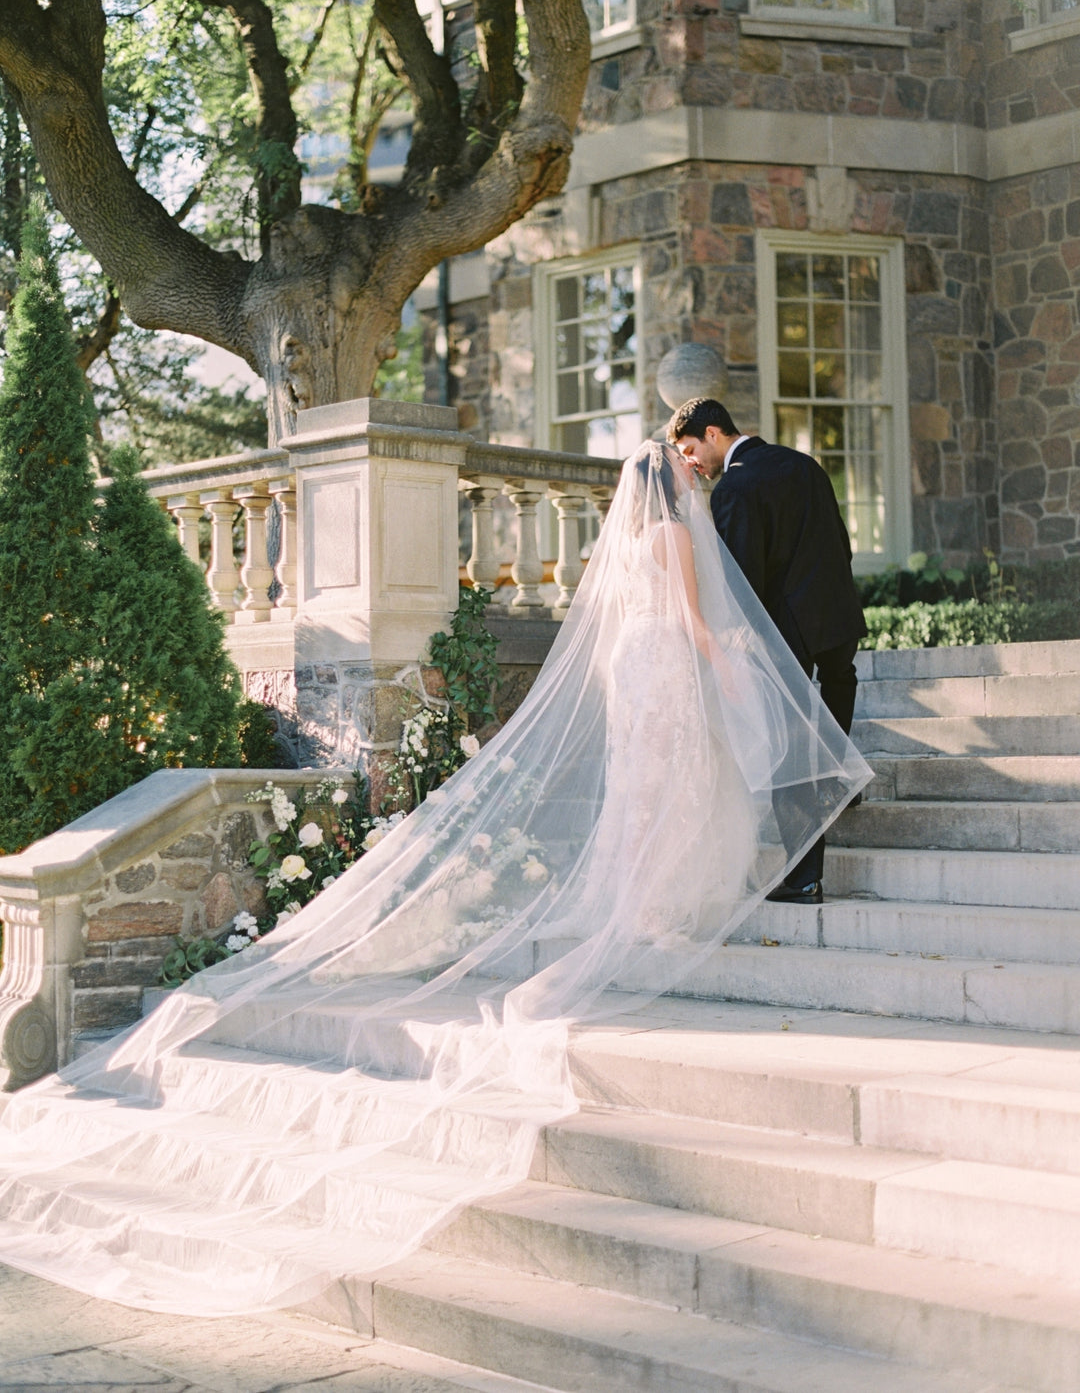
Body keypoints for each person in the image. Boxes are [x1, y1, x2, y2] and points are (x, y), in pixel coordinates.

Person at [0, 442, 869, 1319]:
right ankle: (660, 902)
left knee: (643, 795)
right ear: (669, 482)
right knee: (677, 789)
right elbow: (690, 616)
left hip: (632, 670)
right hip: (667, 665)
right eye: (683, 474)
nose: (693, 480)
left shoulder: (629, 543)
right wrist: (726, 662)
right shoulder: (676, 541)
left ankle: (636, 897)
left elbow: (615, 631)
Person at [668, 398, 867, 906]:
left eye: (691, 449)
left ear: (713, 433)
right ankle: (840, 778)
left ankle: (804, 878)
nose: (691, 462)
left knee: (790, 752)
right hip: (837, 613)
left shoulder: (735, 486)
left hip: (786, 631)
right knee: (837, 692)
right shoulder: (803, 463)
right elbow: (839, 542)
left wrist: (728, 643)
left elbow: (741, 580)